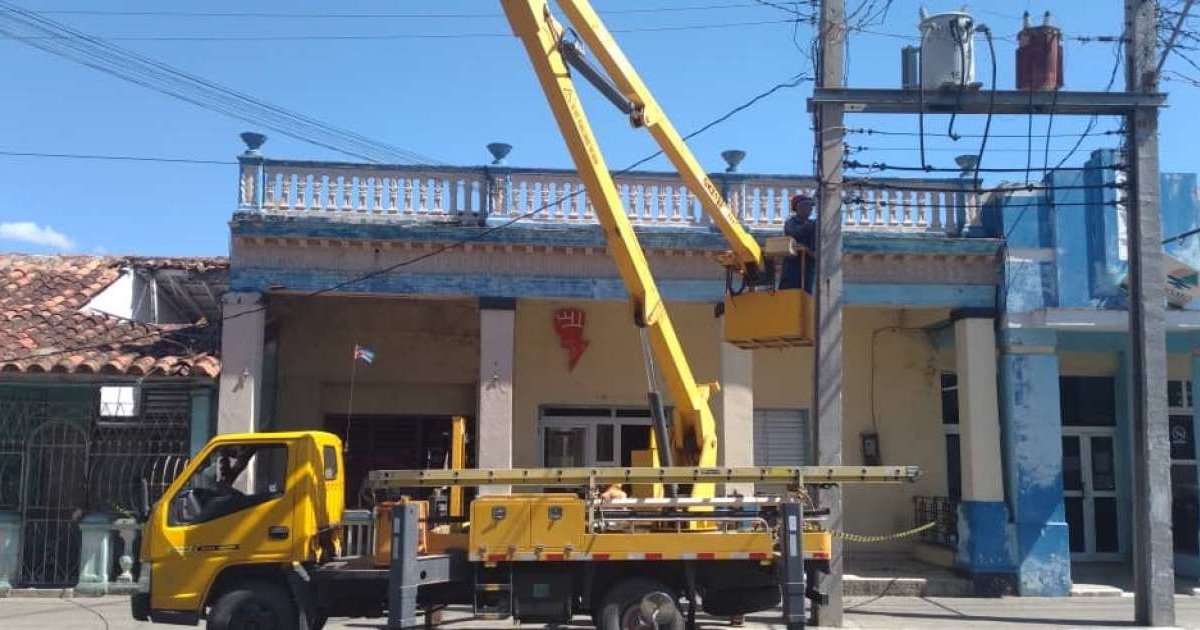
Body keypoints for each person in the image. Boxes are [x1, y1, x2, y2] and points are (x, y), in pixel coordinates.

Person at [780, 194, 817, 293]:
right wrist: (813, 224)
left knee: (806, 290)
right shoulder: (791, 222)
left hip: (808, 265)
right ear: (799, 207)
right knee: (791, 290)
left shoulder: (813, 224)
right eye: (808, 206)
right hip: (793, 266)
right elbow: (796, 232)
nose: (810, 209)